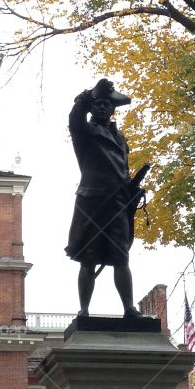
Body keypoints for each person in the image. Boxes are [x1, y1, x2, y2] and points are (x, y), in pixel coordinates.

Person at [65, 79, 151, 320]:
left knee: (121, 257)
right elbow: (75, 116)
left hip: (118, 201)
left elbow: (121, 170)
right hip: (92, 202)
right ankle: (84, 310)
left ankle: (129, 309)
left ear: (113, 110)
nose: (103, 108)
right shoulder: (83, 132)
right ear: (92, 108)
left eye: (107, 104)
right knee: (87, 258)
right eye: (98, 104)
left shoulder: (120, 137)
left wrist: (132, 188)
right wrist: (88, 94)